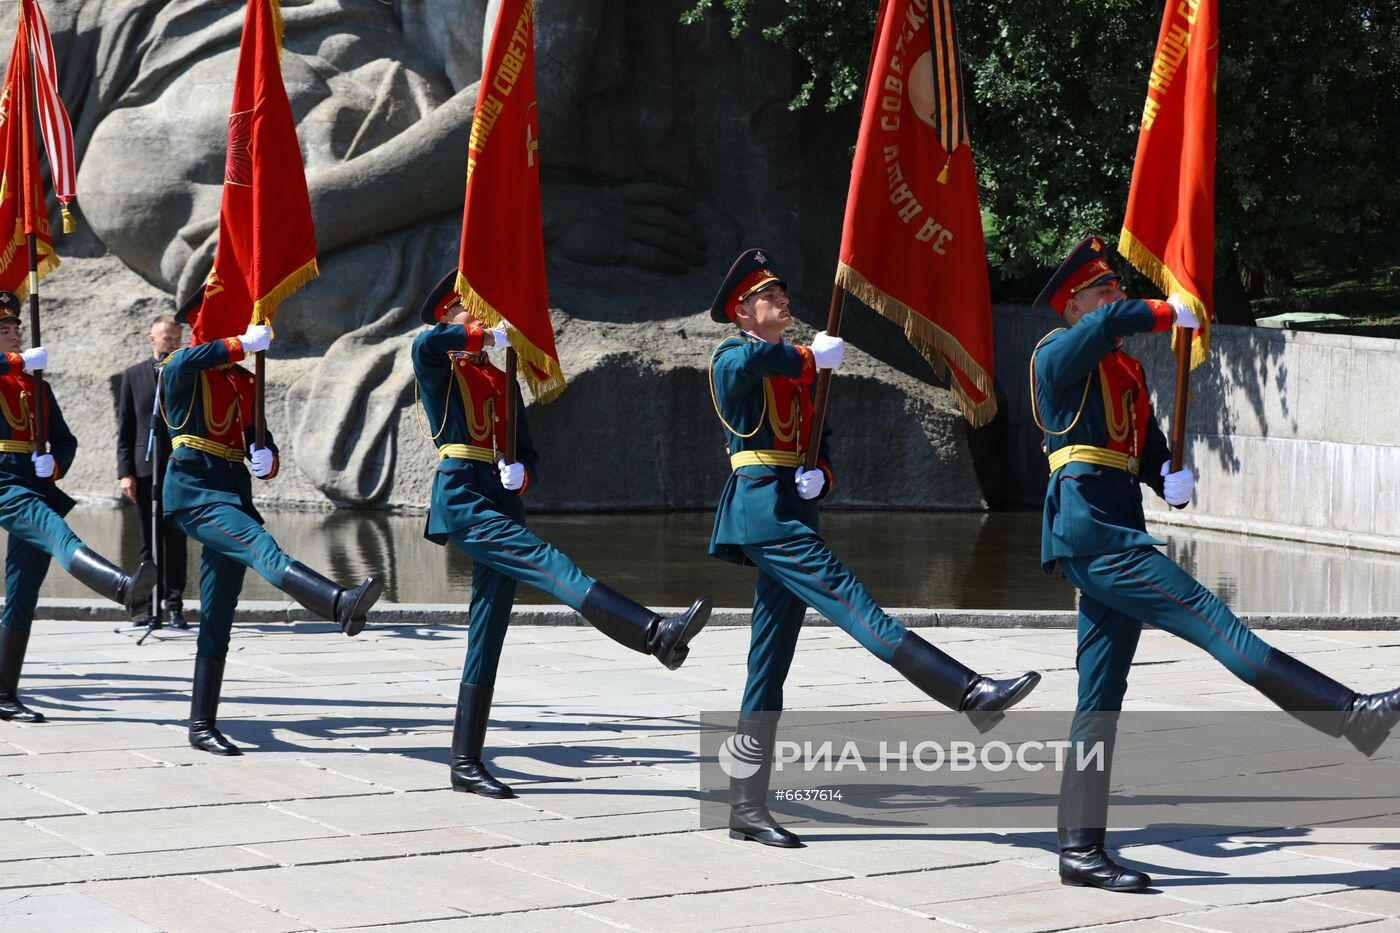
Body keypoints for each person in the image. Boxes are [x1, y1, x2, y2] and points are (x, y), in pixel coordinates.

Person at [1032, 235, 1400, 892]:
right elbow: (1117, 323)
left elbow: (1141, 450)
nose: (1115, 295)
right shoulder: (1055, 354)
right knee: (1211, 616)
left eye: (1116, 286)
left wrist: (1166, 471)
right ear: (1072, 304)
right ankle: (1348, 713)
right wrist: (1165, 309)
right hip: (1092, 531)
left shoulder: (1127, 371)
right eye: (1103, 289)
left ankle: (1079, 847)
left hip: (1116, 522)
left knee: (1099, 697)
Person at [707, 249, 1041, 849]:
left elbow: (820, 439)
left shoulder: (790, 363)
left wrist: (821, 475)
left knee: (768, 663)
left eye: (784, 293)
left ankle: (745, 807)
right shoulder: (735, 353)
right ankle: (967, 692)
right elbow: (748, 368)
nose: (783, 301)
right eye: (770, 296)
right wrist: (809, 358)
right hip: (763, 511)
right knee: (856, 604)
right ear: (742, 312)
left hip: (792, 505)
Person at [412, 272, 711, 799]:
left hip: (501, 500)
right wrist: (484, 336)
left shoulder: (501, 378)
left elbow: (525, 450)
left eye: (482, 314)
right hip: (462, 499)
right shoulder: (441, 366)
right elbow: (428, 344)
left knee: (488, 629)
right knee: (554, 566)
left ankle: (464, 762)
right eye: (469, 314)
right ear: (448, 319)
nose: (479, 321)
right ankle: (652, 633)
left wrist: (520, 472)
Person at [159, 314, 383, 755]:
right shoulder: (182, 366)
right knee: (263, 549)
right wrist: (239, 343)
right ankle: (337, 602)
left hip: (232, 492)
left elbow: (255, 436)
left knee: (219, 610)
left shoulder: (244, 380)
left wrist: (266, 455)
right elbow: (180, 363)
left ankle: (201, 725)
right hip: (195, 492)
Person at [0, 293, 155, 723]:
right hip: (3, 483)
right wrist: (16, 365)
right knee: (57, 534)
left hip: (33, 483)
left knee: (23, 592)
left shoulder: (38, 385)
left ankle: (4, 692)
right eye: (4, 332)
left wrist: (56, 463)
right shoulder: (12, 373)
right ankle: (123, 588)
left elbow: (65, 439)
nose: (14, 337)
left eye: (16, 331)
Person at [116, 314, 190, 628]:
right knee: (148, 541)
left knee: (175, 540)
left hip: (178, 469)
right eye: (166, 338)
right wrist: (125, 472)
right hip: (144, 470)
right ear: (152, 339)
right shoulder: (133, 376)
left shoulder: (188, 373)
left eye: (176, 338)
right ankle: (147, 606)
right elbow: (126, 429)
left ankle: (173, 606)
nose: (172, 343)